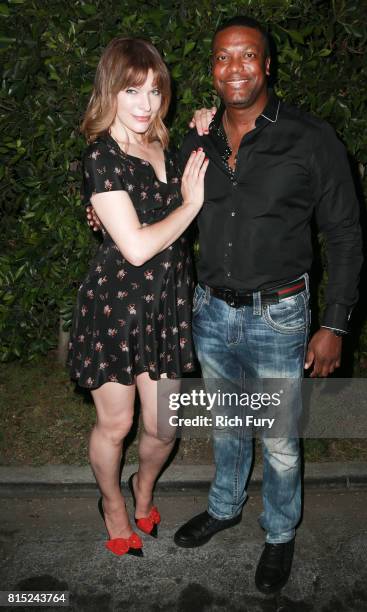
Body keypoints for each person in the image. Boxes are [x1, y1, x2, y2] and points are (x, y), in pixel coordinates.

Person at [172, 15, 363, 594]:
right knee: (229, 425)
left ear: (267, 65)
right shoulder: (199, 139)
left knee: (279, 437)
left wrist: (333, 324)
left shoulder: (311, 137)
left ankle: (279, 533)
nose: (235, 68)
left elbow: (347, 234)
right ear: (213, 68)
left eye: (247, 56)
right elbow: (159, 201)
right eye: (223, 58)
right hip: (211, 311)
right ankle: (225, 507)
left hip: (279, 314)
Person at [67, 37, 208, 557]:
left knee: (163, 427)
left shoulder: (163, 145)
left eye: (154, 90)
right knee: (117, 423)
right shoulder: (101, 155)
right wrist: (190, 205)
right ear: (110, 91)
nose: (145, 104)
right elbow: (136, 247)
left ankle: (143, 486)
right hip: (116, 307)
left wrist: (203, 124)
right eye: (132, 90)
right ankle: (112, 504)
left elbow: (211, 148)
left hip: (167, 307)